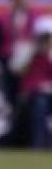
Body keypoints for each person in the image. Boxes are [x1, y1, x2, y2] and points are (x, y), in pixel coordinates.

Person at [0, 0, 40, 108]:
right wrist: (5, 61)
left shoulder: (38, 19)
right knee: (11, 102)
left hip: (32, 70)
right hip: (10, 69)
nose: (20, 0)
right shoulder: (3, 19)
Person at [17, 16, 52, 148]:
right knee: (39, 105)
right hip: (36, 94)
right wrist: (33, 52)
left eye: (47, 37)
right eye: (43, 37)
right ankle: (38, 144)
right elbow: (19, 71)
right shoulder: (29, 51)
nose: (46, 41)